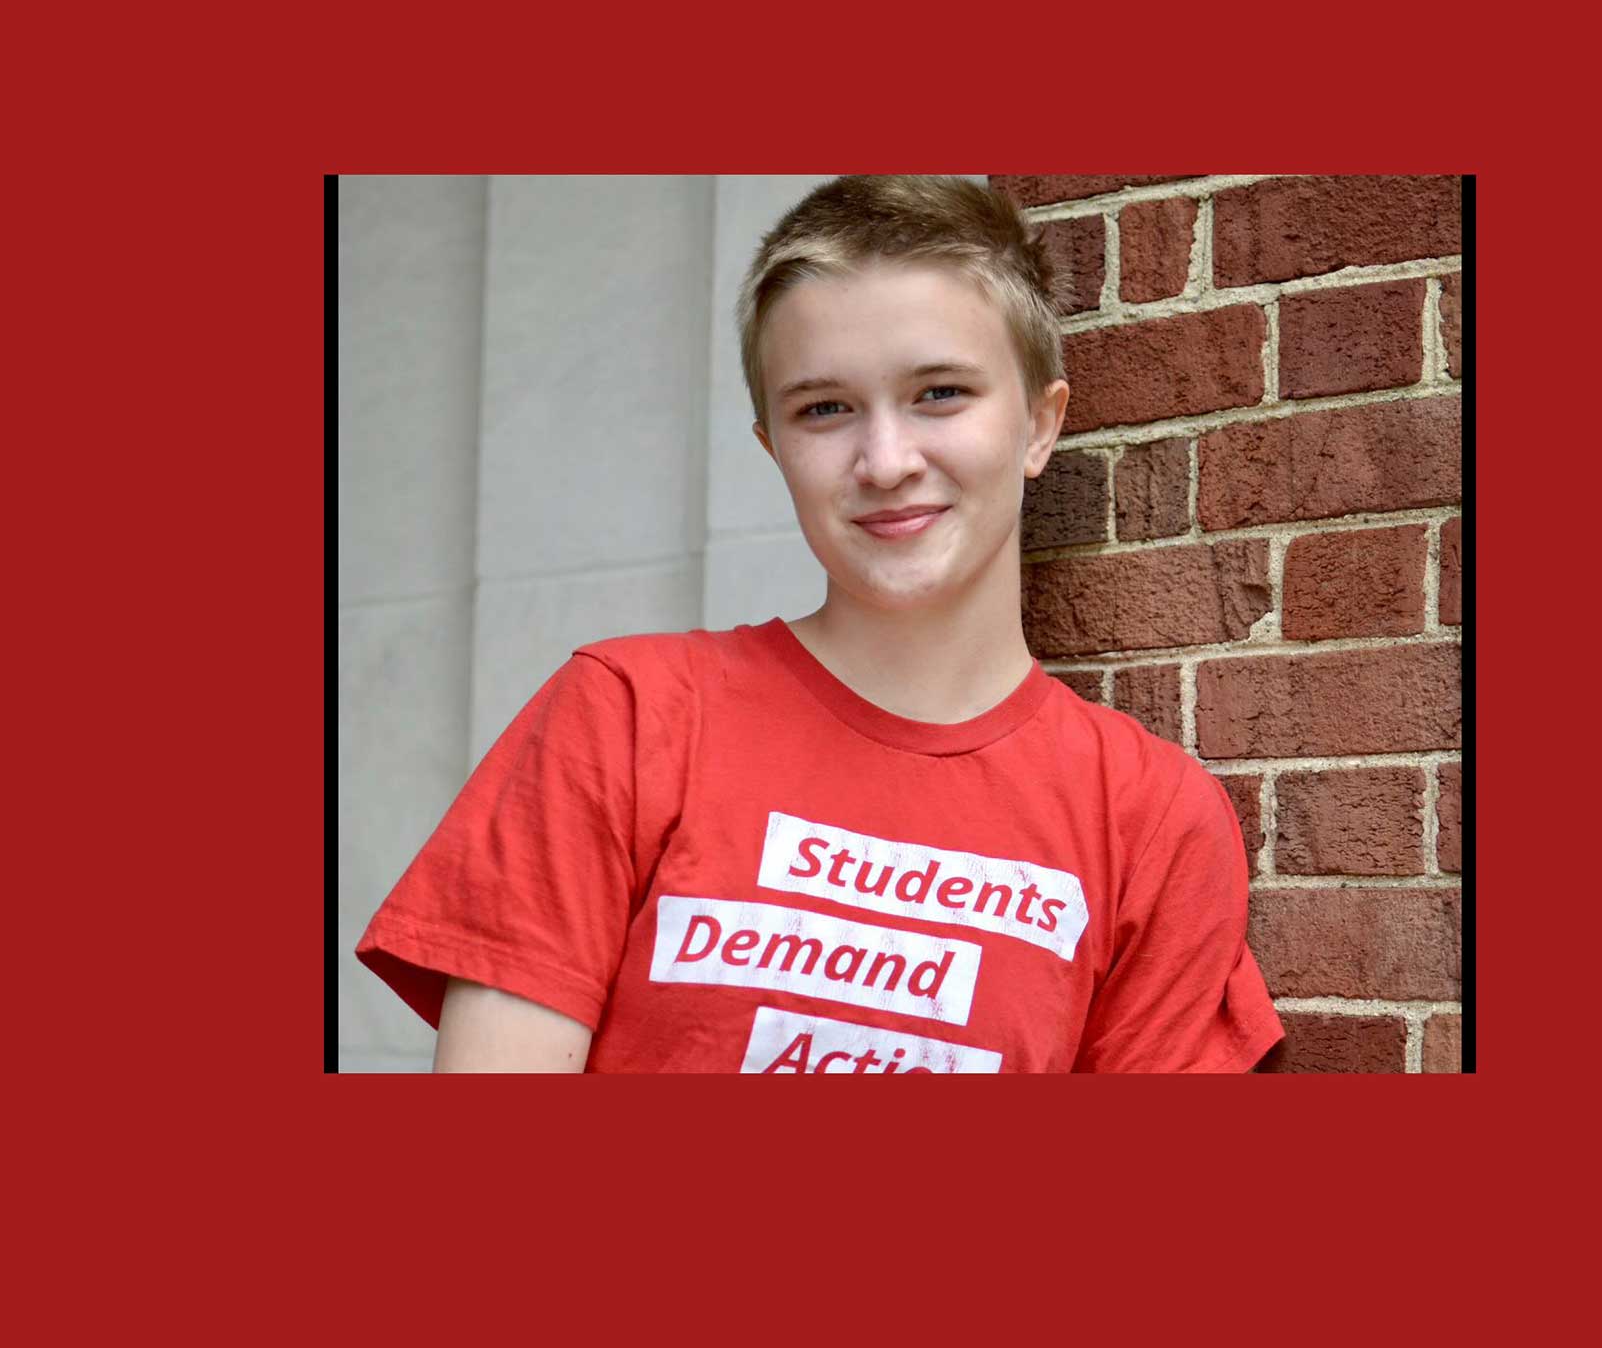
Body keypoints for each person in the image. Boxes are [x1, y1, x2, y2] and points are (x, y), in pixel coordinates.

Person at [354, 174, 1284, 1073]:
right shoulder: (627, 718)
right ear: (774, 447)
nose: (884, 461)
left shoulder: (1149, 820)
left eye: (940, 393)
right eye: (825, 409)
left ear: (1040, 426)